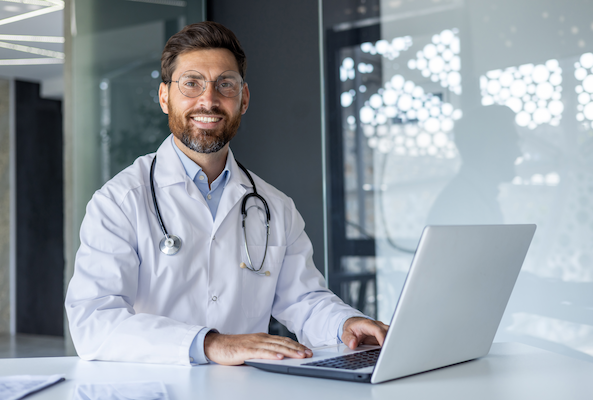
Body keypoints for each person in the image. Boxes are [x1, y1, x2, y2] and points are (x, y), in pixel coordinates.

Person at [65, 21, 388, 366]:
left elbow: (303, 299)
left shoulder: (274, 206)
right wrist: (209, 344)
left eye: (225, 84)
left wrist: (345, 323)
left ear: (243, 98)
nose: (209, 99)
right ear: (164, 97)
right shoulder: (119, 201)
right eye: (191, 83)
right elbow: (94, 321)